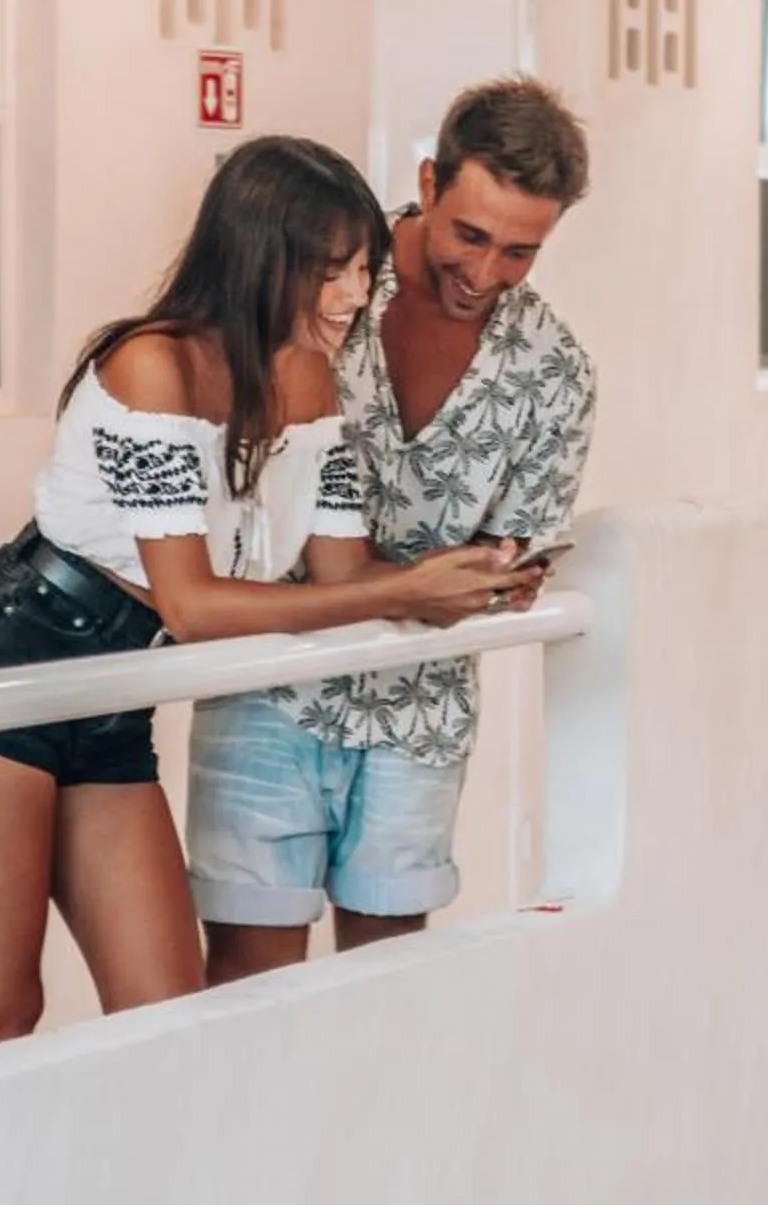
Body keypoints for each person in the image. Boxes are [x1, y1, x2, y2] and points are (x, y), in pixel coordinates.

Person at [0, 135, 537, 1052]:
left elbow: (341, 573)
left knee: (174, 1024)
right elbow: (192, 604)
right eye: (332, 271)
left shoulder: (308, 376)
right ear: (258, 258)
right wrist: (406, 592)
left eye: (362, 268)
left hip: (113, 699)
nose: (357, 294)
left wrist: (451, 582)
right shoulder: (148, 366)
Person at [192, 78, 596, 982]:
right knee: (247, 1001)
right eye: (470, 235)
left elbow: (517, 557)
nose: (484, 273)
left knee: (382, 1004)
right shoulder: (316, 278)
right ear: (428, 179)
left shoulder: (555, 369)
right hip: (268, 689)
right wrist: (421, 581)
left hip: (422, 716)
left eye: (521, 253)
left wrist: (499, 579)